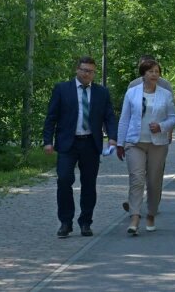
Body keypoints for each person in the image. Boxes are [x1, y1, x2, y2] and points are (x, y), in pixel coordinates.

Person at [43, 56, 117, 238]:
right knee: (64, 180)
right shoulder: (62, 89)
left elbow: (109, 117)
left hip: (91, 143)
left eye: (91, 71)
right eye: (84, 70)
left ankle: (85, 222)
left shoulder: (101, 92)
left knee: (89, 184)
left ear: (94, 73)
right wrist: (48, 141)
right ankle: (65, 222)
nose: (87, 74)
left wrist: (113, 138)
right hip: (68, 143)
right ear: (77, 70)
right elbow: (51, 117)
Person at [117, 59, 175, 235]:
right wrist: (120, 143)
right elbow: (124, 119)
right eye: (150, 71)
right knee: (136, 179)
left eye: (157, 72)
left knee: (154, 181)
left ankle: (151, 213)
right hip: (134, 142)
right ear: (143, 73)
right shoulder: (132, 93)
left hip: (157, 143)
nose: (154, 74)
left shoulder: (165, 94)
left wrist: (162, 126)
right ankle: (134, 216)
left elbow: (173, 118)